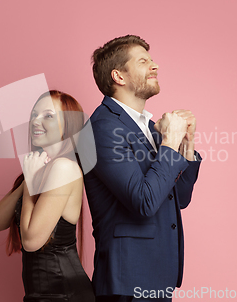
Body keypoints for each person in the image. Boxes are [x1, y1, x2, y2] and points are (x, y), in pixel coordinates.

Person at [83, 35, 202, 302]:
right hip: (127, 283)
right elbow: (144, 202)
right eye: (143, 61)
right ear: (119, 76)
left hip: (157, 277)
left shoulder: (148, 128)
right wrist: (169, 142)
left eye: (152, 59)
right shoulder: (102, 129)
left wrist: (186, 143)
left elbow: (178, 199)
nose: (155, 65)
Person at [0, 90, 95, 302]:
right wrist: (27, 180)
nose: (36, 121)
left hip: (65, 294)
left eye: (48, 115)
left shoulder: (64, 168)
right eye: (34, 115)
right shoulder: (38, 169)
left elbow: (31, 241)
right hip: (41, 294)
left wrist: (29, 184)